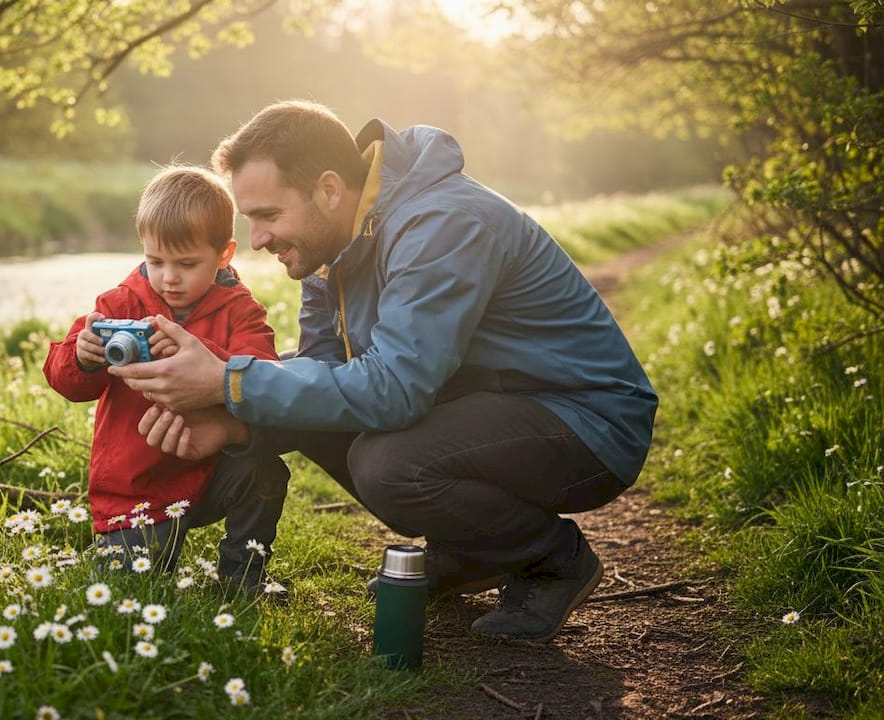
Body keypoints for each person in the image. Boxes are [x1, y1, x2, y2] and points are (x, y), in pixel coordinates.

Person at [109, 101, 659, 643]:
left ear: (328, 189)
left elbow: (395, 391)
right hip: (486, 407)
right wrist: (230, 416)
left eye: (268, 216)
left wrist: (227, 381)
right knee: (304, 404)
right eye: (251, 219)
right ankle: (472, 549)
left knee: (388, 464)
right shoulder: (333, 240)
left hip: (585, 423)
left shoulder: (440, 225)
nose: (257, 241)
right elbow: (323, 370)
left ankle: (554, 562)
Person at [42, 165, 289, 597]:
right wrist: (82, 357)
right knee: (130, 592)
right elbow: (67, 382)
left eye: (187, 263)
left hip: (209, 471)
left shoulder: (241, 311)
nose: (169, 277)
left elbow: (261, 374)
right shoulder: (119, 304)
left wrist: (203, 361)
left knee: (265, 472)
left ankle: (241, 577)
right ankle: (131, 551)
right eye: (155, 261)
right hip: (136, 490)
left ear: (224, 255)